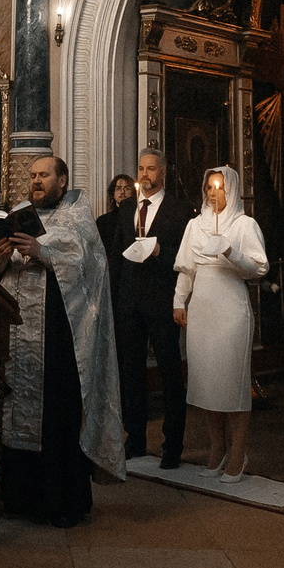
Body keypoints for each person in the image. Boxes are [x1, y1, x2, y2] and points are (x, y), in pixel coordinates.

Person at [0, 156, 125, 525]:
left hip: (59, 335)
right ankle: (18, 498)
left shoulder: (78, 216)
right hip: (17, 333)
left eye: (43, 175)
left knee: (57, 415)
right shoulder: (17, 213)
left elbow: (91, 266)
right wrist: (0, 258)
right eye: (32, 176)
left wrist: (43, 252)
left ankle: (61, 502)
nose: (36, 181)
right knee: (16, 412)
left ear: (61, 180)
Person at [172, 165, 267, 482]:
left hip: (231, 310)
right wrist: (178, 300)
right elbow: (187, 268)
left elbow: (258, 268)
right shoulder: (195, 226)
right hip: (201, 309)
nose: (214, 193)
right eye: (209, 187)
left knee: (232, 383)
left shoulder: (244, 225)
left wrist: (230, 251)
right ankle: (216, 447)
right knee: (207, 383)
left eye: (220, 187)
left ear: (232, 189)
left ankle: (238, 453)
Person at [111, 150, 193, 467]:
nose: (145, 175)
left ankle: (173, 445)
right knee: (131, 373)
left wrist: (159, 249)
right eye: (141, 169)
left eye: (151, 169)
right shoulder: (127, 207)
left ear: (163, 172)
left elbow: (186, 256)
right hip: (129, 302)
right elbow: (118, 254)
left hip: (161, 301)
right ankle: (135, 438)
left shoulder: (179, 209)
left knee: (170, 372)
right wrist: (114, 297)